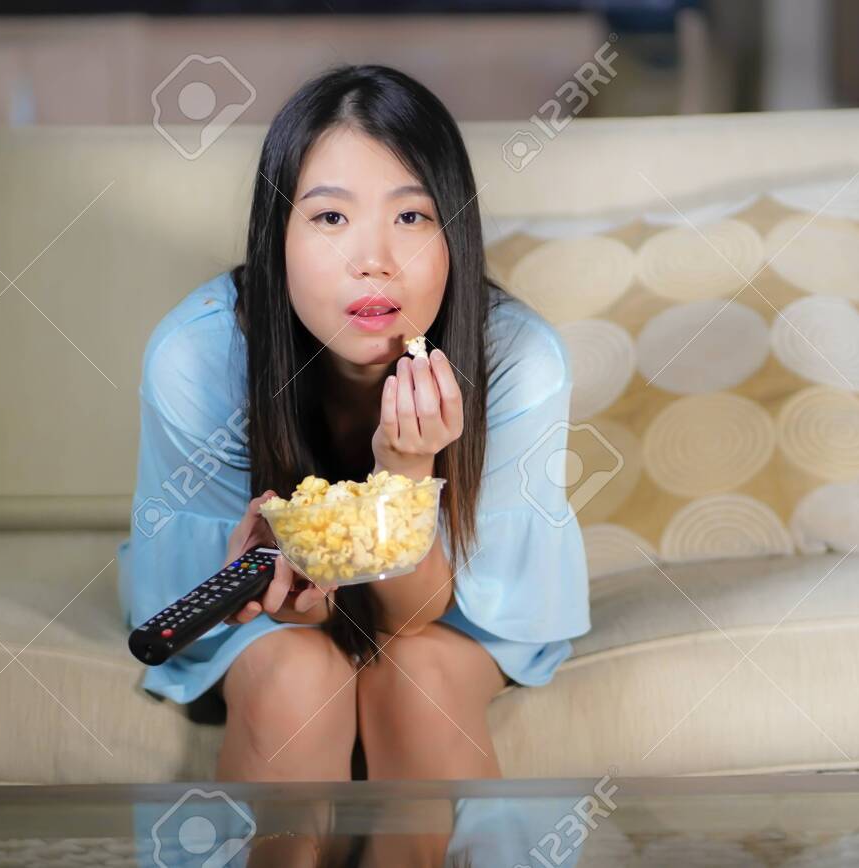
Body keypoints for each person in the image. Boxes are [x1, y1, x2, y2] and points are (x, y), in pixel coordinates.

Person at [118, 64, 590, 867]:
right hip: (267, 628)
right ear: (278, 237)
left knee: (420, 675)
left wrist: (407, 472)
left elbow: (415, 617)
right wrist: (287, 601)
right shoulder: (198, 355)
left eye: (411, 216)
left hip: (445, 618)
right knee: (297, 673)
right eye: (331, 216)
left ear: (455, 231)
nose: (374, 260)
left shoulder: (520, 360)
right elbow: (218, 605)